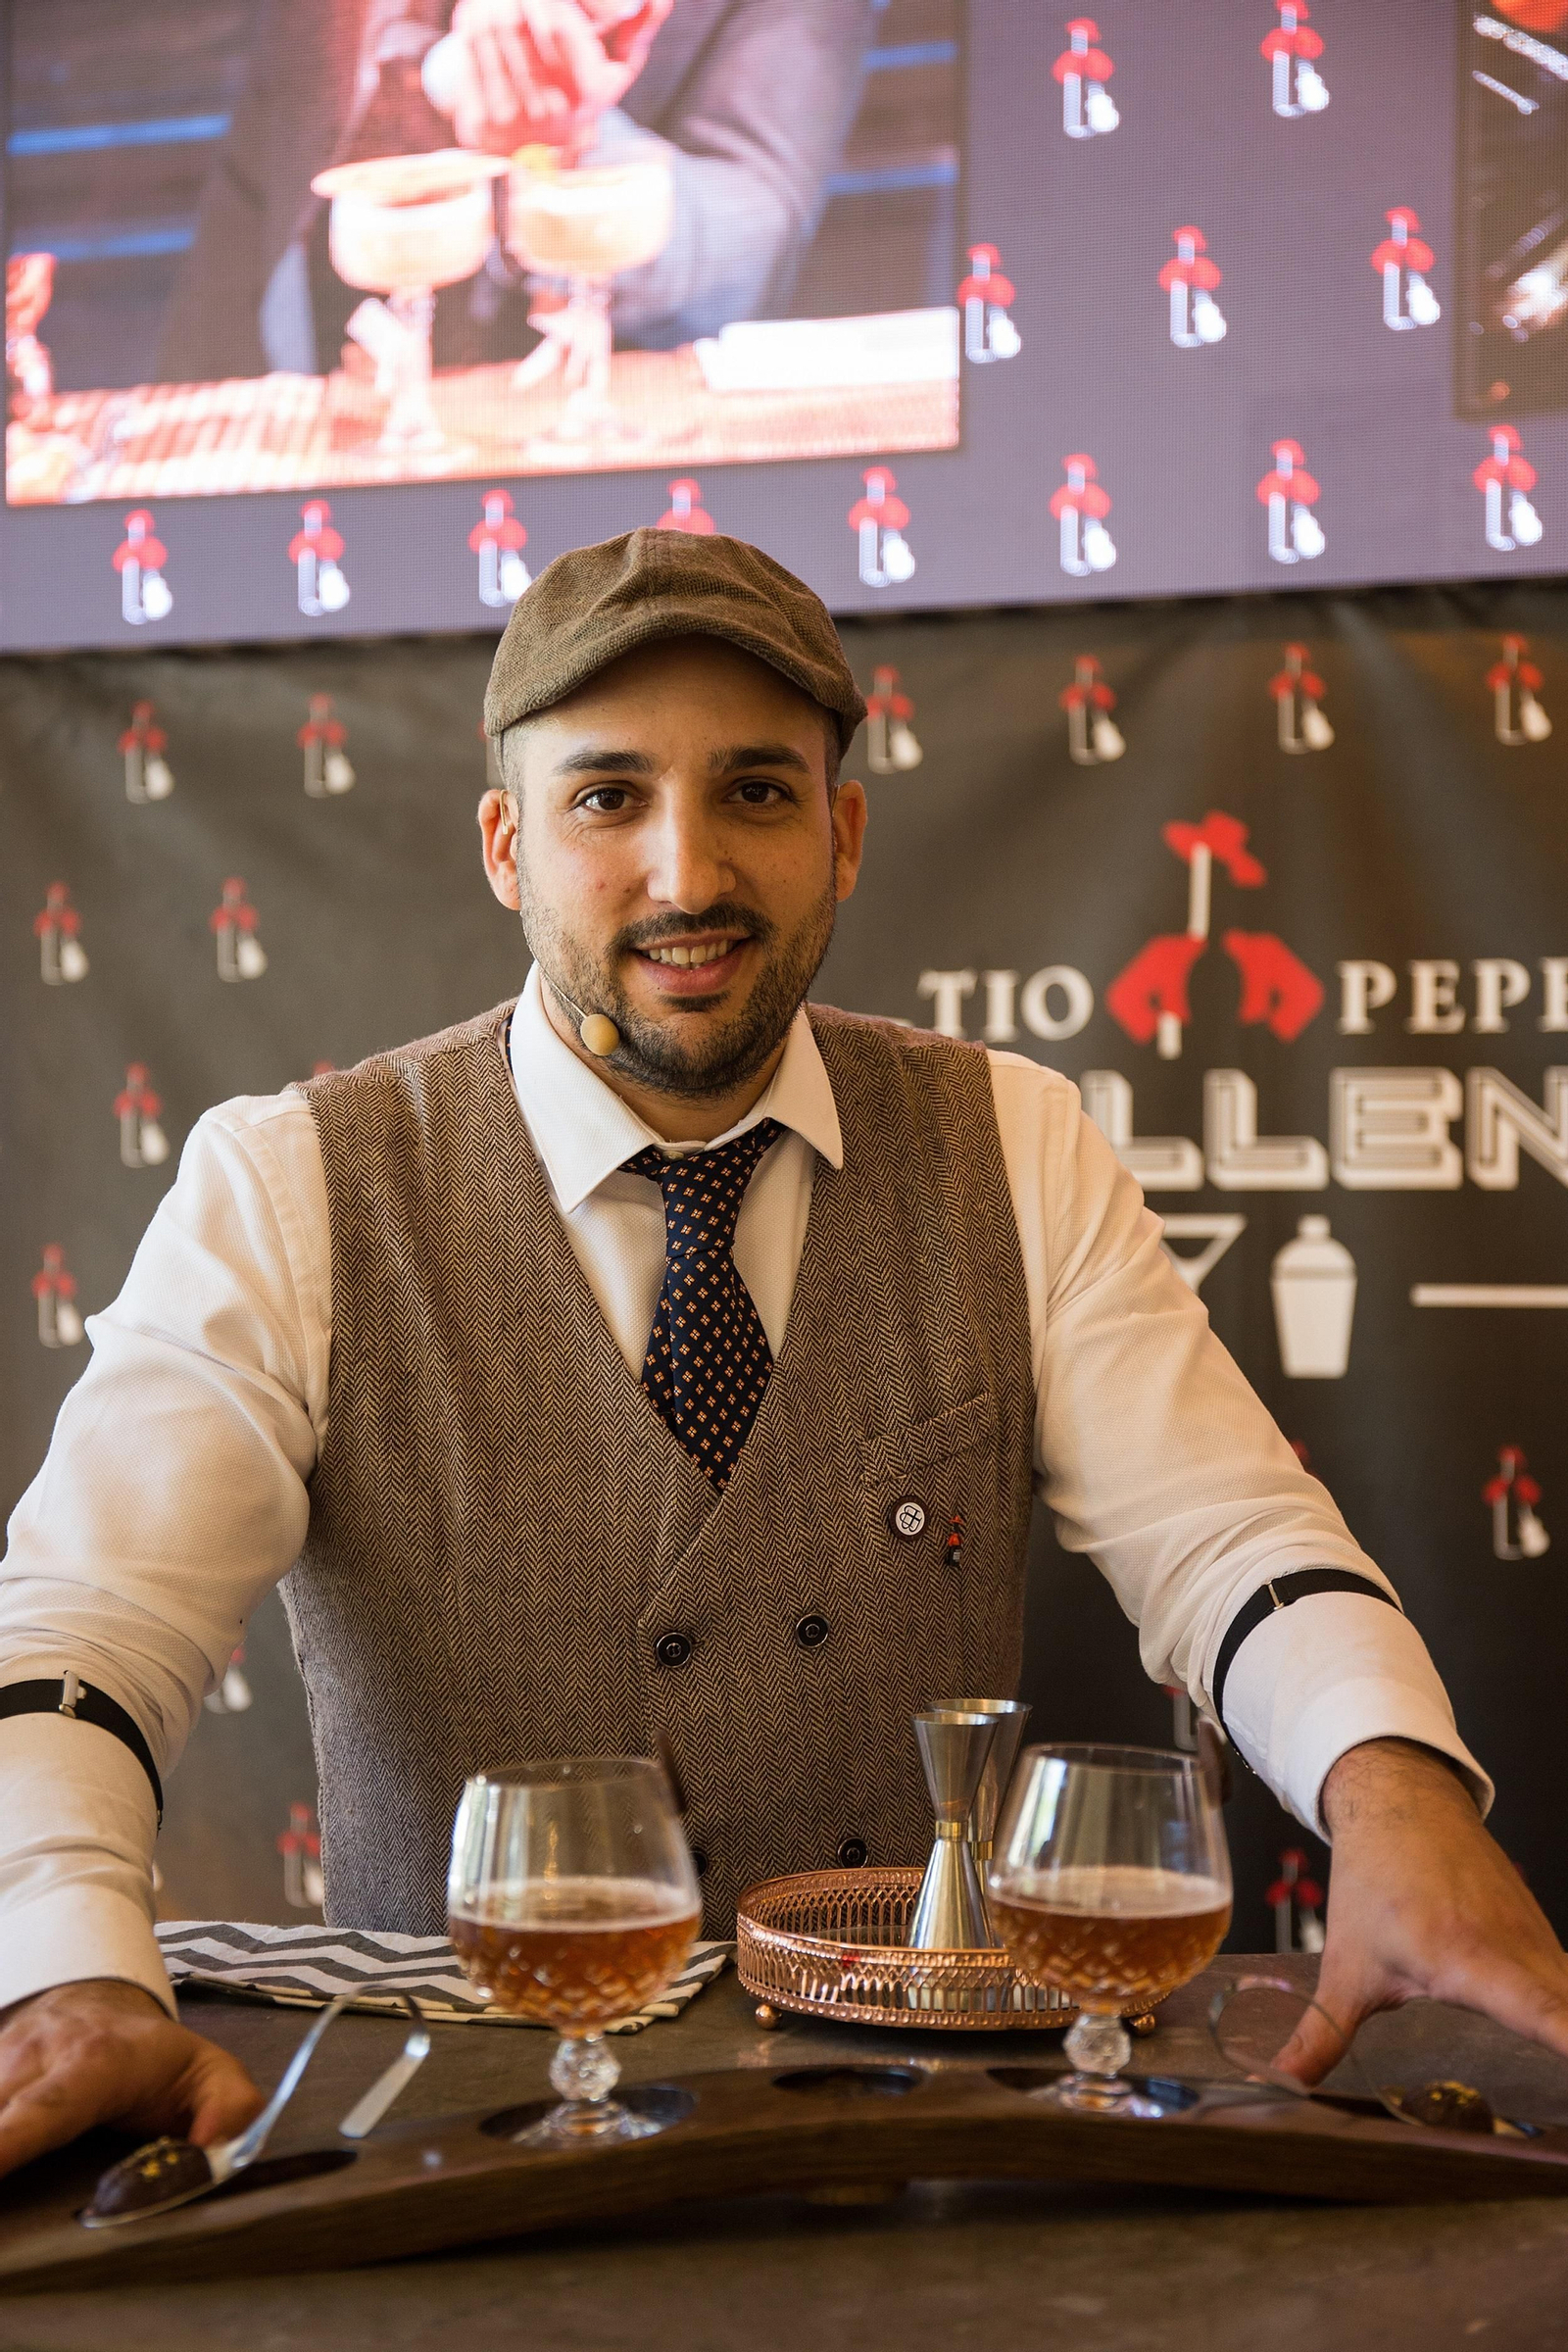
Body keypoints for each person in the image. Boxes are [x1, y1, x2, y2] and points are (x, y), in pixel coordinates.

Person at [1, 529, 1566, 2175]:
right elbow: (91, 1623)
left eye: (755, 790)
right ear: (503, 844)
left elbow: (1228, 1535)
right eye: (607, 796)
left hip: (922, 2134)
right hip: (455, 2156)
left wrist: (1402, 1799)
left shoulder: (1013, 1142)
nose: (687, 874)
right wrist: (66, 1973)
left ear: (844, 833)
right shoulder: (290, 1182)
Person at [157, 0, 876, 383]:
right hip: (324, 467)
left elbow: (746, 252)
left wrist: (570, 143)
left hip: (611, 535)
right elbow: (261, 193)